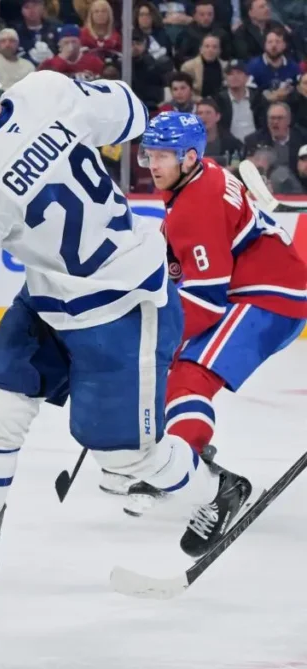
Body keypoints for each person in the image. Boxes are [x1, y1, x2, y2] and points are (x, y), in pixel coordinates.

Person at [0, 41, 242, 603]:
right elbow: (133, 113)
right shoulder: (48, 90)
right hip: (50, 298)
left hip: (122, 306)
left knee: (127, 457)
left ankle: (217, 490)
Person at [121, 113, 307, 523]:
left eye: (163, 155)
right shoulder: (199, 175)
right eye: (149, 153)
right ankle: (186, 452)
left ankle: (191, 473)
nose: (152, 163)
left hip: (268, 298)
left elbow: (204, 303)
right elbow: (187, 257)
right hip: (255, 288)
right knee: (175, 365)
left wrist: (153, 336)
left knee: (188, 372)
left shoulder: (196, 202)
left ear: (189, 157)